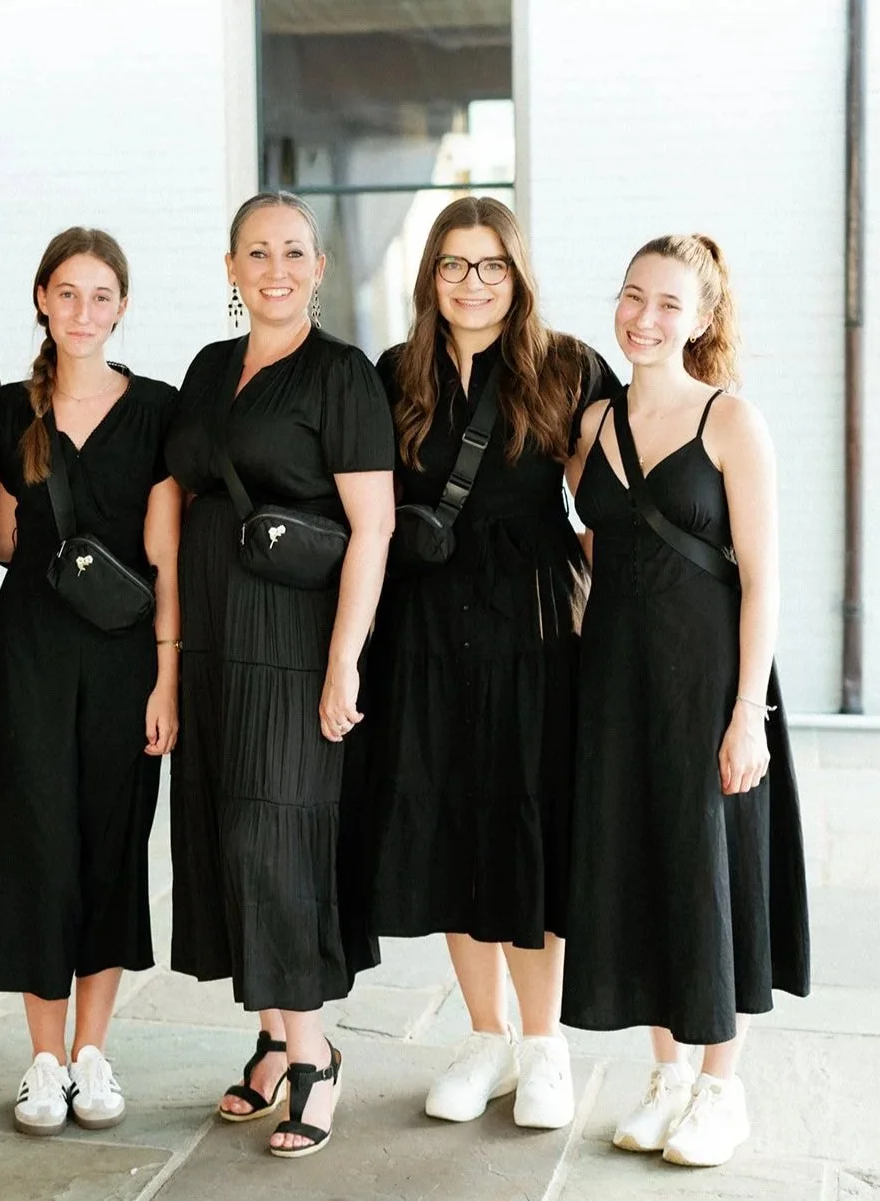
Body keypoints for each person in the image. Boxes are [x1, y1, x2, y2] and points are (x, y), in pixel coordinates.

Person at [365, 196, 620, 1131]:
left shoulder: (568, 366)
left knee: (527, 817)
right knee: (451, 819)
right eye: (454, 265)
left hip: (536, 618)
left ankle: (543, 1043)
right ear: (429, 276)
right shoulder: (397, 373)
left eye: (491, 266)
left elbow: (607, 509)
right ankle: (484, 1034)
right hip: (426, 622)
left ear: (517, 274)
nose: (472, 283)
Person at [563, 234, 810, 1167]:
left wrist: (748, 710)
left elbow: (763, 578)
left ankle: (718, 1086)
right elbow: (597, 548)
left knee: (712, 870)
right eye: (632, 296)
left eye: (668, 303)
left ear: (701, 319)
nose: (644, 317)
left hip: (709, 679)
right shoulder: (588, 427)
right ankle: (664, 1072)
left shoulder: (731, 421)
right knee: (637, 864)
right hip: (616, 682)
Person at [165, 191, 394, 1158]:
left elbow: (372, 527)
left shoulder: (341, 376)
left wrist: (344, 659)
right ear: (230, 268)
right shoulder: (209, 368)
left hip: (294, 635)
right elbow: (174, 499)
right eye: (256, 252)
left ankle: (315, 1057)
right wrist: (168, 660)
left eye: (293, 252)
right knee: (226, 827)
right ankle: (268, 1039)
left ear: (318, 268)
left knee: (277, 836)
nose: (275, 268)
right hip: (215, 633)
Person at [0, 227, 180, 1136]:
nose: (83, 312)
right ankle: (42, 1059)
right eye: (67, 293)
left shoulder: (160, 409)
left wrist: (168, 676)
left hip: (129, 653)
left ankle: (92, 1053)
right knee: (35, 842)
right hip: (28, 650)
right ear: (41, 300)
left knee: (111, 838)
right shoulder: (4, 409)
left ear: (122, 306)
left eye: (101, 296)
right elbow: (1, 538)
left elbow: (167, 557)